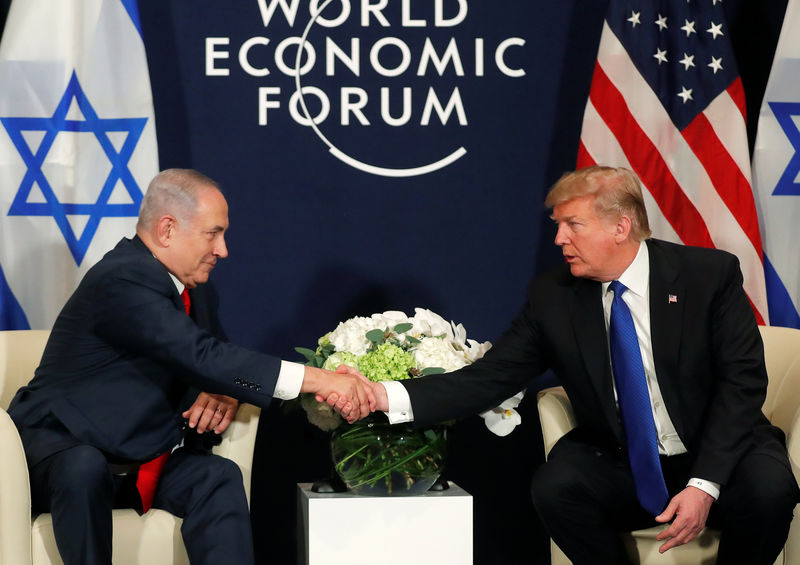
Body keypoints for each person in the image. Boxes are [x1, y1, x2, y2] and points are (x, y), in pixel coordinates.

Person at [359, 165, 799, 564]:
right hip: (623, 459)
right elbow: (489, 378)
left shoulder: (708, 275)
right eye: (558, 226)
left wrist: (704, 485)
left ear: (620, 227)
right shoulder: (553, 297)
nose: (559, 240)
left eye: (573, 226)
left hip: (718, 449)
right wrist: (382, 394)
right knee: (556, 488)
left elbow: (741, 384)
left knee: (770, 490)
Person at [7, 168, 373, 565]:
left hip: (139, 459)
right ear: (167, 230)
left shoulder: (193, 291)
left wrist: (225, 390)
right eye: (212, 233)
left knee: (217, 478)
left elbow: (212, 361)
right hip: (57, 457)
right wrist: (321, 380)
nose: (223, 250)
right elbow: (202, 356)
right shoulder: (122, 278)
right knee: (83, 466)